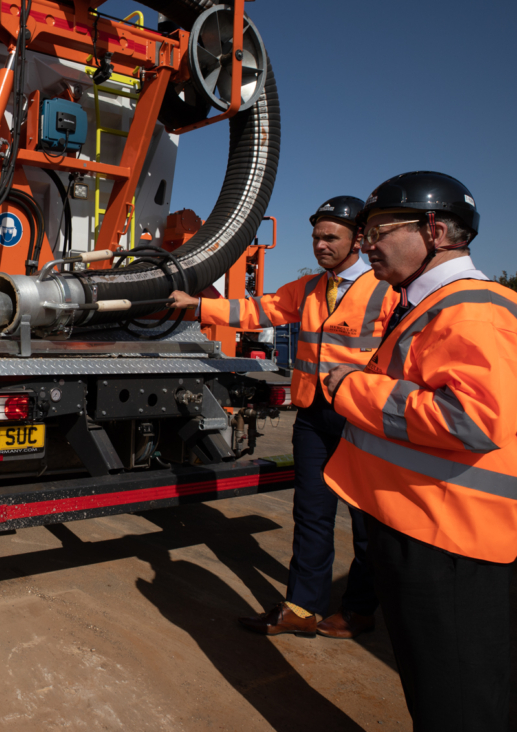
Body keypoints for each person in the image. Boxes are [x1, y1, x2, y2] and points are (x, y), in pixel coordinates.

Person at [323, 172, 515, 731]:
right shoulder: (429, 304)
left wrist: (349, 386)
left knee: (456, 703)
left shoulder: (474, 309)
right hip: (423, 522)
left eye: (381, 228)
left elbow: (471, 419)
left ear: (436, 230)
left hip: (451, 538)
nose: (367, 243)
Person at [169, 196, 398, 637]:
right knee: (312, 513)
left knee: (368, 522)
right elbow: (256, 311)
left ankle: (359, 610)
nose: (320, 245)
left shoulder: (387, 289)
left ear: (360, 240)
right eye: (316, 236)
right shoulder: (310, 288)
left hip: (363, 417)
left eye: (331, 237)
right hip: (313, 414)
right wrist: (198, 306)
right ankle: (302, 607)